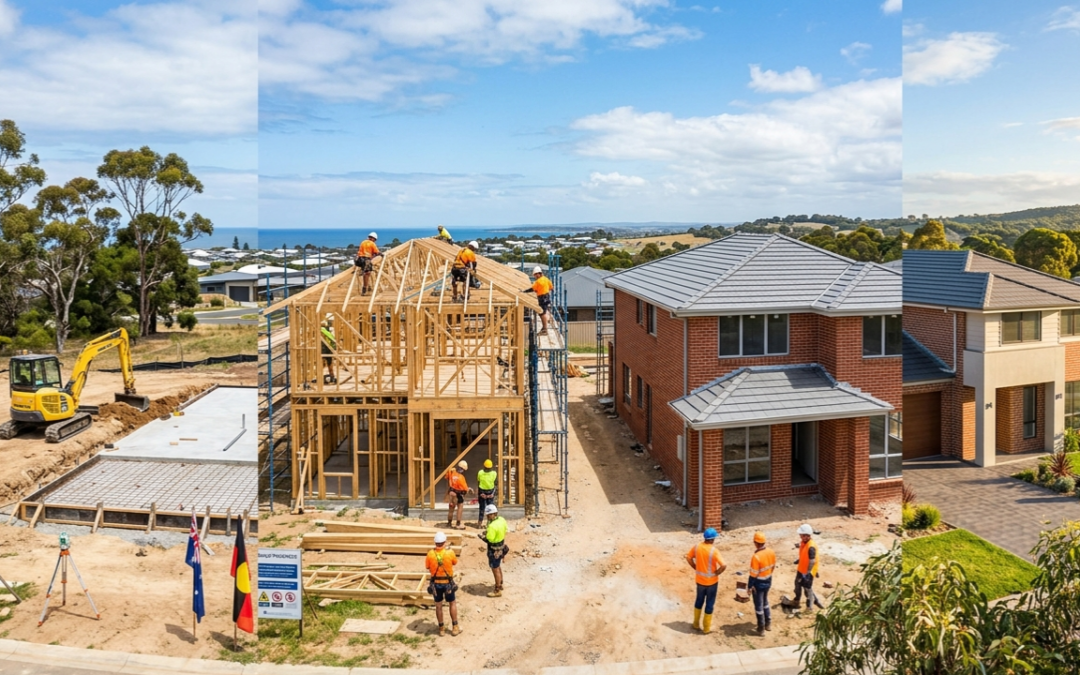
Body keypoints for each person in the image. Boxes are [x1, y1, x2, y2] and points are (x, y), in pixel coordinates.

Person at [687, 527, 726, 634]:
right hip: (712, 583)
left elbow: (688, 557)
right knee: (709, 604)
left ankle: (695, 624)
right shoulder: (714, 551)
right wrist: (717, 572)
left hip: (700, 581)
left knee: (699, 601)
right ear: (713, 539)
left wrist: (695, 566)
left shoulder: (697, 547)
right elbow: (724, 565)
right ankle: (706, 628)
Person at [425, 531, 461, 636]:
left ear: (435, 542)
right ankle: (455, 627)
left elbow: (427, 566)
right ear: (444, 542)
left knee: (438, 605)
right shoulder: (449, 553)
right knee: (452, 603)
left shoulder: (430, 554)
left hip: (436, 584)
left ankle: (441, 629)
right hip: (448, 584)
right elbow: (455, 562)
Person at [748, 531, 776, 635]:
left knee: (758, 605)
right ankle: (768, 623)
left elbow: (753, 574)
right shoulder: (771, 552)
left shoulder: (756, 557)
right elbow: (773, 566)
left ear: (755, 542)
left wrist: (750, 586)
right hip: (768, 581)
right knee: (765, 602)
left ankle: (761, 628)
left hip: (758, 584)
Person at [477, 504, 507, 597]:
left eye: (488, 515)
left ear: (492, 514)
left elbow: (489, 539)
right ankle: (500, 583)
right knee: (498, 566)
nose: (487, 517)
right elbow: (504, 529)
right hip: (501, 546)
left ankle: (497, 590)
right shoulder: (501, 520)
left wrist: (482, 537)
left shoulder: (492, 526)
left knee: (495, 569)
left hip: (493, 550)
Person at [793, 523, 825, 611]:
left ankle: (810, 607)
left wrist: (808, 573)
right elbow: (804, 554)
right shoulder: (804, 542)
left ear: (807, 536)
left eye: (801, 535)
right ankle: (796, 601)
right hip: (801, 569)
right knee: (797, 585)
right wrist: (799, 560)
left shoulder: (811, 546)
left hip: (807, 572)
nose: (800, 536)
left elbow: (812, 560)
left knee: (807, 589)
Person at [522, 267, 554, 333]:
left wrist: (524, 291)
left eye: (536, 275)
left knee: (542, 313)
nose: (535, 276)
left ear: (539, 274)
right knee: (544, 310)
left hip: (542, 297)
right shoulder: (546, 279)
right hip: (547, 295)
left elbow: (532, 289)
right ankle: (546, 323)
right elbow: (551, 287)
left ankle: (545, 328)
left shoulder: (538, 281)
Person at [445, 460, 472, 530]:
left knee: (451, 509)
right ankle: (458, 524)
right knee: (460, 507)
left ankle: (449, 523)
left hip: (451, 493)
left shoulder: (451, 472)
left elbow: (446, 477)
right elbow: (465, 488)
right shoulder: (461, 477)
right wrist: (469, 489)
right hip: (458, 494)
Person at [476, 459, 498, 528]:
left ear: (484, 466)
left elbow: (478, 482)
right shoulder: (494, 473)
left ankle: (480, 523)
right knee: (491, 509)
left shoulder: (480, 472)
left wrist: (480, 493)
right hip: (490, 491)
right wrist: (493, 494)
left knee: (482, 508)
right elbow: (496, 484)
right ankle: (490, 524)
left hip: (482, 491)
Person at [320, 316, 337, 384]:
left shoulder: (322, 330)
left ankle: (325, 377)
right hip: (327, 349)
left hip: (325, 348)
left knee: (323, 364)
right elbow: (333, 340)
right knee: (329, 363)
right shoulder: (327, 331)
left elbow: (332, 340)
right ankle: (331, 376)